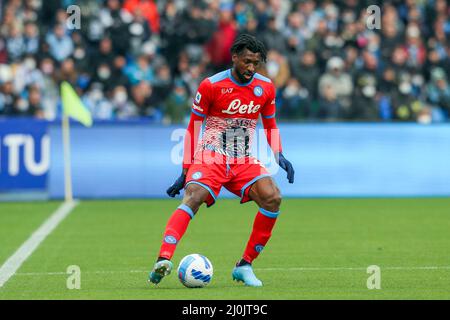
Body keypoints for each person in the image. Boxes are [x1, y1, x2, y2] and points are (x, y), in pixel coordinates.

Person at [148, 34, 294, 287]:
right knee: (193, 196)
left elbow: (270, 124)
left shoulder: (265, 88)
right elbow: (193, 127)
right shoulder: (211, 85)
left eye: (256, 64)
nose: (251, 68)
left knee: (273, 197)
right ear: (235, 57)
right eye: (247, 61)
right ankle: (164, 259)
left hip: (243, 158)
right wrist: (185, 170)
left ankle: (245, 265)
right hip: (211, 154)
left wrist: (279, 154)